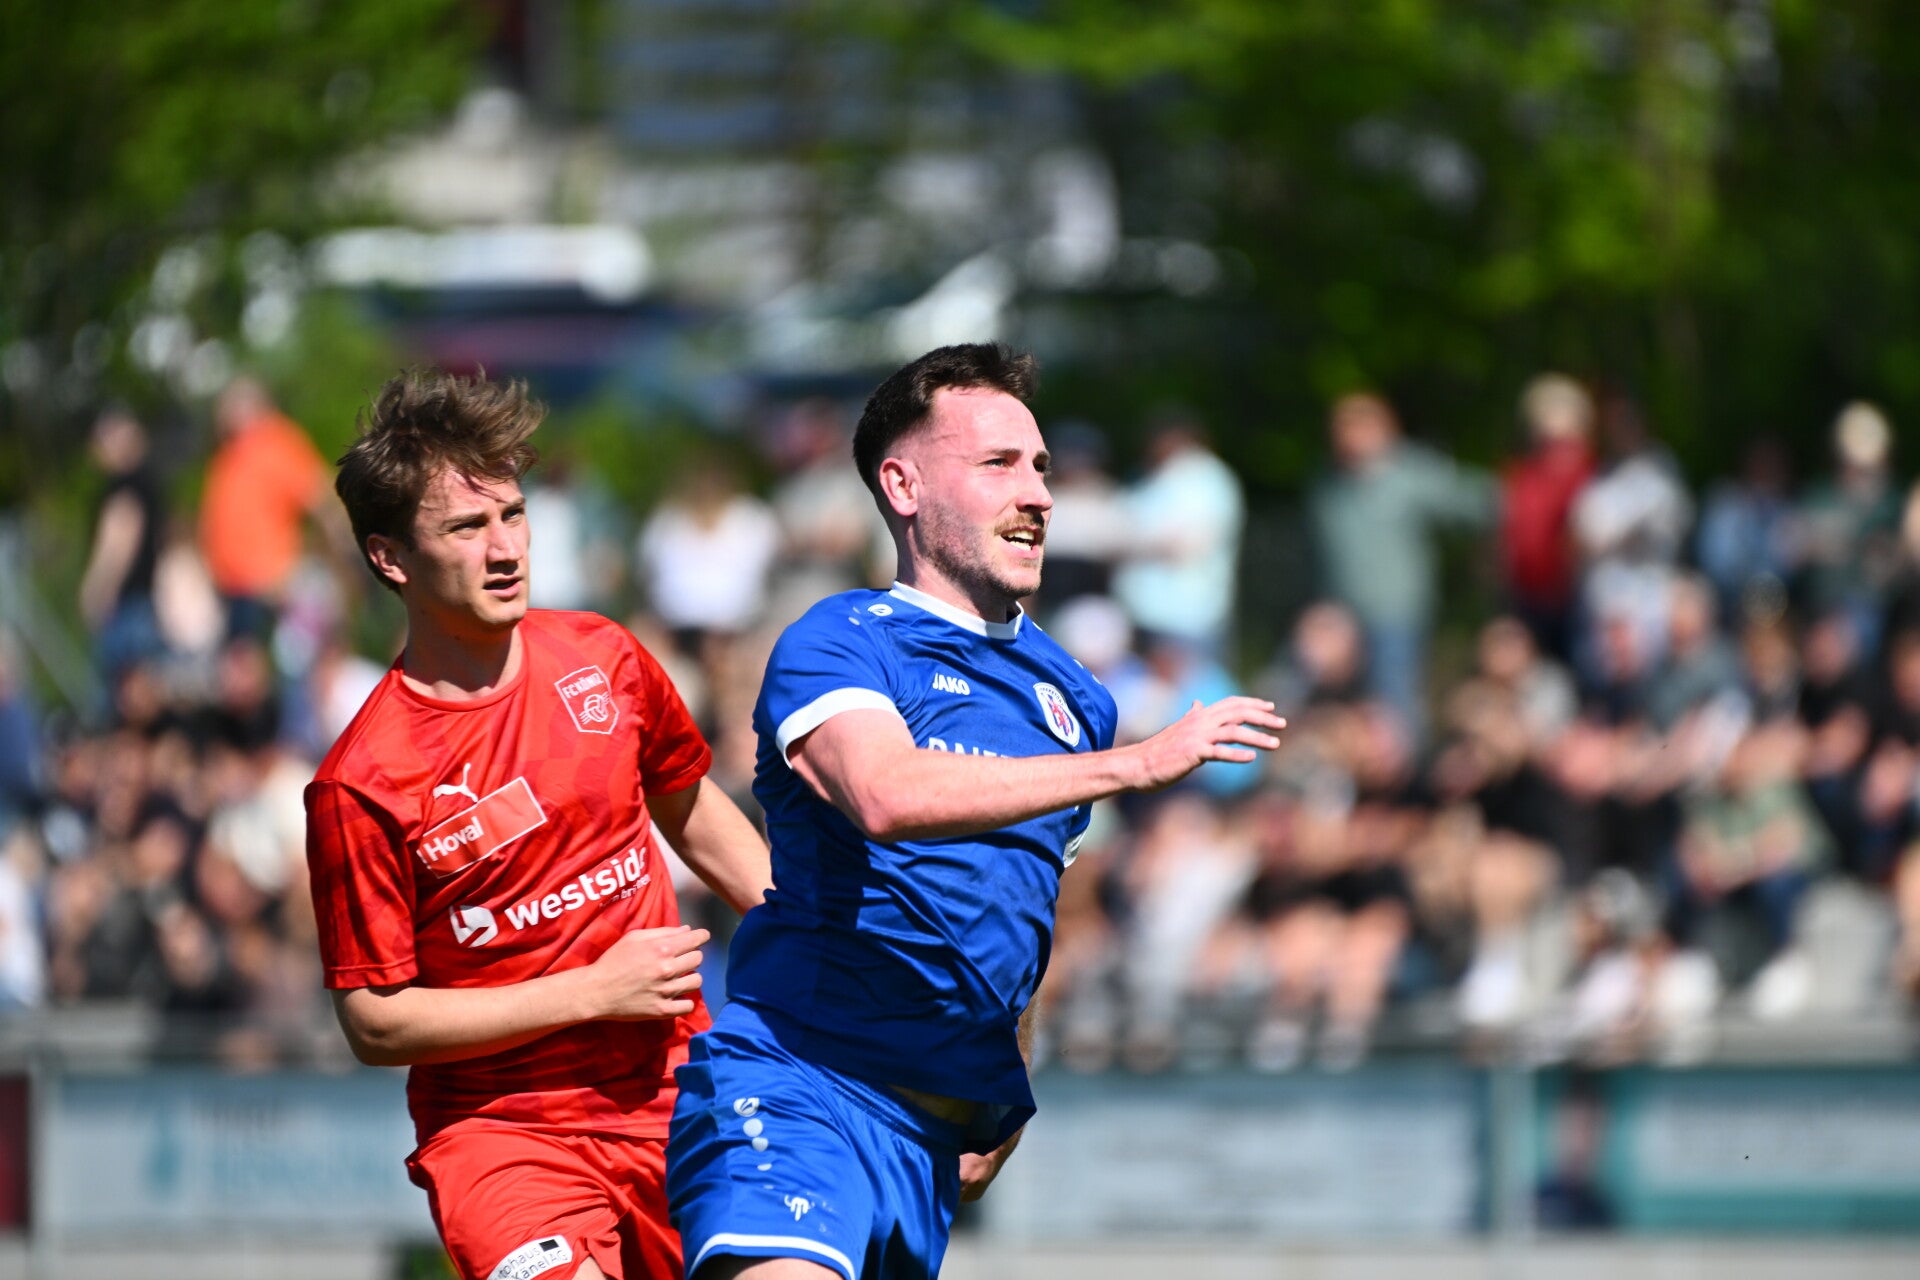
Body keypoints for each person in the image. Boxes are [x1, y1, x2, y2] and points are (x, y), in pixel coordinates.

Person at [666, 343, 1285, 1280]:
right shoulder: (840, 640)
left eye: (1040, 466)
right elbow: (883, 795)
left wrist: (1006, 1081)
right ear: (903, 486)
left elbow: (1023, 911)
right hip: (800, 1088)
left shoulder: (1074, 697)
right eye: (998, 464)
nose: (1037, 494)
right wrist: (1134, 765)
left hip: (930, 1142)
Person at [304, 370, 772, 1280]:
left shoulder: (603, 656)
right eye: (465, 528)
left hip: (678, 1095)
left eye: (513, 515)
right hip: (504, 1135)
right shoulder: (362, 783)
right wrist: (593, 991)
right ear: (390, 558)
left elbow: (687, 806)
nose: (505, 548)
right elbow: (374, 1023)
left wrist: (815, 933)